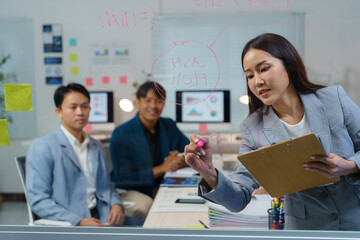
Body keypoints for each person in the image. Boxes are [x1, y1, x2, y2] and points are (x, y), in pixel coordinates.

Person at [184, 33, 360, 230]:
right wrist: (208, 172)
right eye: (249, 75)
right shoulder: (253, 127)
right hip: (307, 227)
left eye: (264, 69)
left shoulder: (333, 99)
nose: (257, 81)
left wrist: (351, 165)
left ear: (288, 64)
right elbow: (238, 199)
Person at [26, 83, 143, 226]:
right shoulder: (43, 147)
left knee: (153, 227)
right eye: (73, 107)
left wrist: (117, 204)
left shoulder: (96, 146)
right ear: (59, 112)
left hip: (103, 218)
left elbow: (107, 186)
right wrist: (79, 222)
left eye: (85, 106)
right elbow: (39, 200)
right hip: (71, 225)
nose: (80, 112)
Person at [110, 81, 189, 218]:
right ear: (137, 102)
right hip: (135, 191)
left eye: (159, 101)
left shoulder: (168, 125)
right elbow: (122, 178)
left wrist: (181, 161)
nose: (153, 106)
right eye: (148, 100)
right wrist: (163, 168)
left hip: (166, 186)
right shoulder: (122, 133)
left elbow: (190, 150)